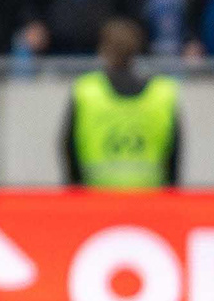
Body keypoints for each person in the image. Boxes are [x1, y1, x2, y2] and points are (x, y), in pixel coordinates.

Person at [62, 19, 181, 189]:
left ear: (103, 50)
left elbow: (69, 148)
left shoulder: (87, 91)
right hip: (150, 199)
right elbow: (174, 158)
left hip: (95, 199)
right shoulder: (162, 94)